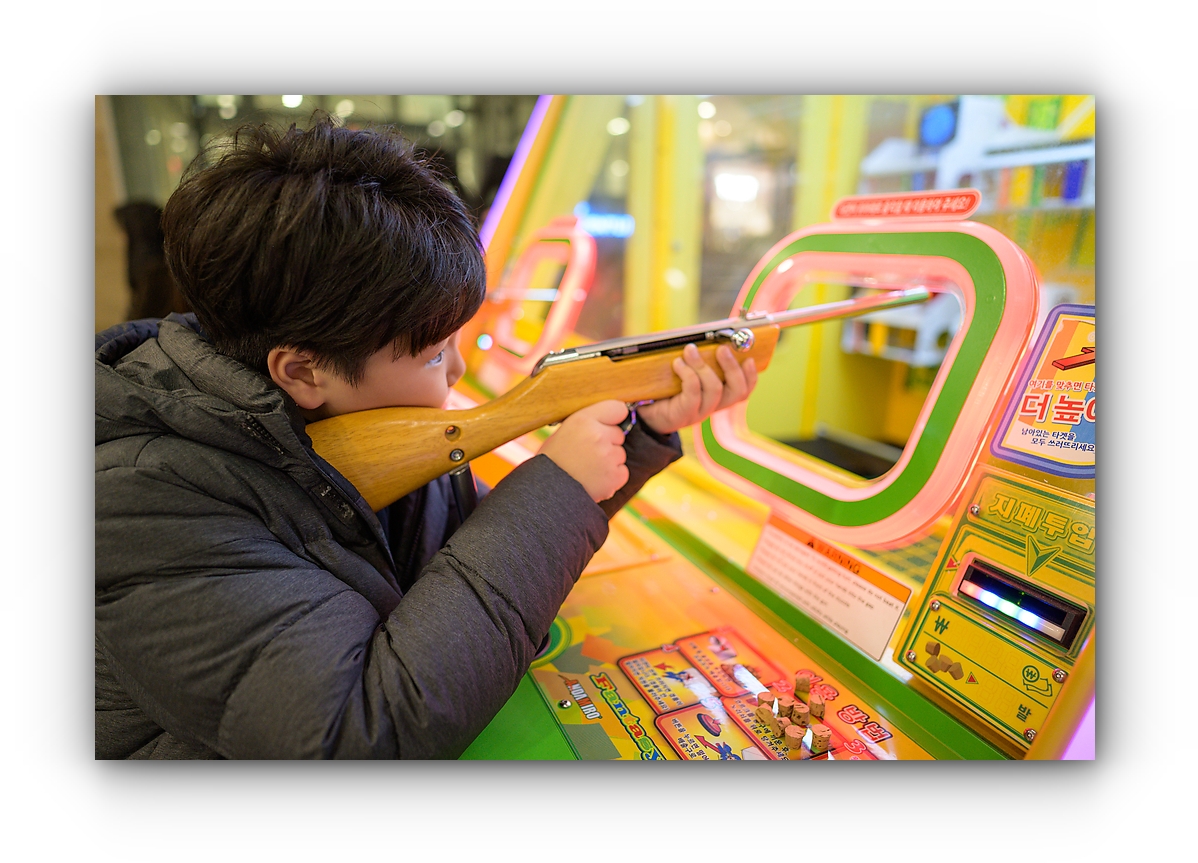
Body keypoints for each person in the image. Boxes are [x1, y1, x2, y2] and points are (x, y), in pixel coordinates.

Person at [95, 115, 757, 759]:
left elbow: (459, 554)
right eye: (436, 353)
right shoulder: (138, 503)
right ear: (302, 372)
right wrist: (560, 487)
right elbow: (359, 733)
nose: (459, 369)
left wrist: (641, 427)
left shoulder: (348, 421)